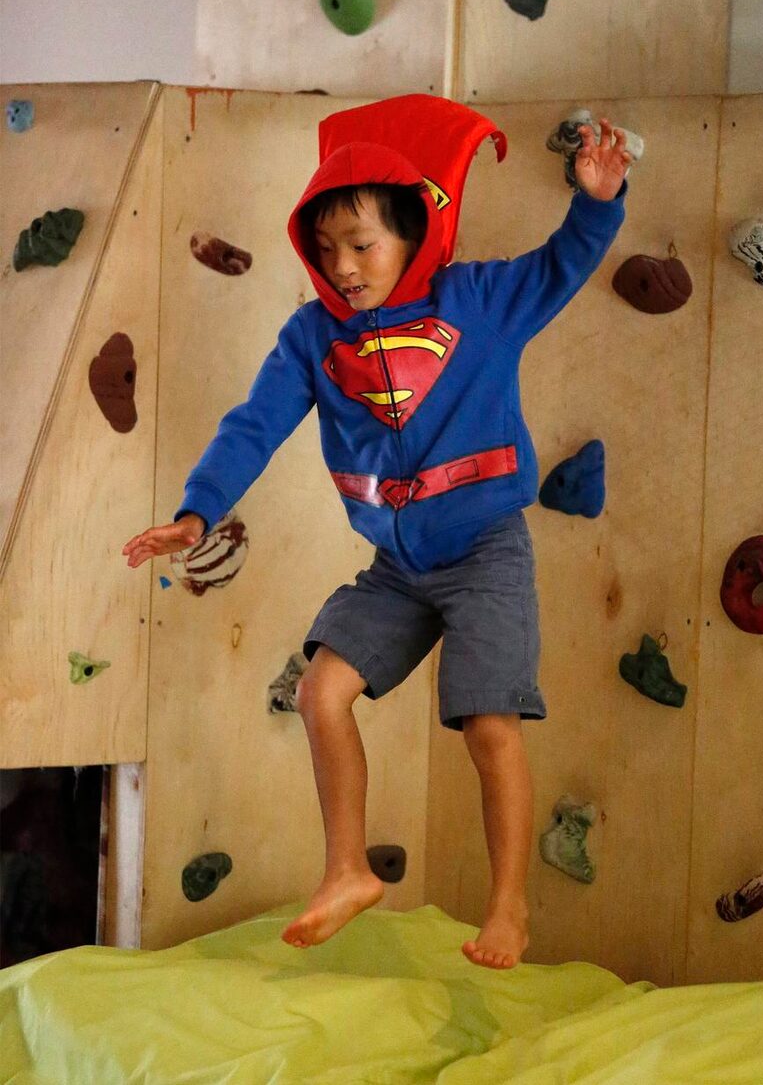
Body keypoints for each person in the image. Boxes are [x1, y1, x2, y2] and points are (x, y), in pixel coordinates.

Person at [122, 104, 630, 970]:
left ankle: (509, 907)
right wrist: (198, 509)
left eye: (361, 243)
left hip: (483, 551)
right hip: (397, 565)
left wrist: (598, 203)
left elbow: (561, 266)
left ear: (410, 230)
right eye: (326, 250)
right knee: (322, 692)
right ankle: (347, 869)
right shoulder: (313, 338)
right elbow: (254, 425)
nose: (344, 267)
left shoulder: (476, 301)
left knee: (489, 722)